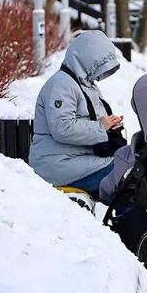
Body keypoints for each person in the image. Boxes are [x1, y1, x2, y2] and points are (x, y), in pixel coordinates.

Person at [29, 30, 125, 200]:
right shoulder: (62, 85)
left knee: (128, 168)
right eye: (99, 64)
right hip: (57, 165)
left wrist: (109, 127)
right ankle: (137, 219)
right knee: (120, 170)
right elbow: (62, 128)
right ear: (87, 59)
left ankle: (142, 215)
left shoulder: (84, 85)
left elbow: (89, 121)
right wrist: (101, 126)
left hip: (75, 160)